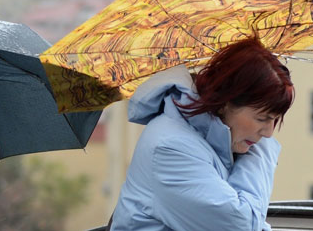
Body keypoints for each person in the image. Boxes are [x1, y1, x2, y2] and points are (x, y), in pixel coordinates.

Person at [110, 37, 295, 231]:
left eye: (275, 119)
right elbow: (242, 226)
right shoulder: (170, 148)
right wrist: (260, 154)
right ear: (225, 103)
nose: (268, 133)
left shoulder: (216, 141)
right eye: (262, 118)